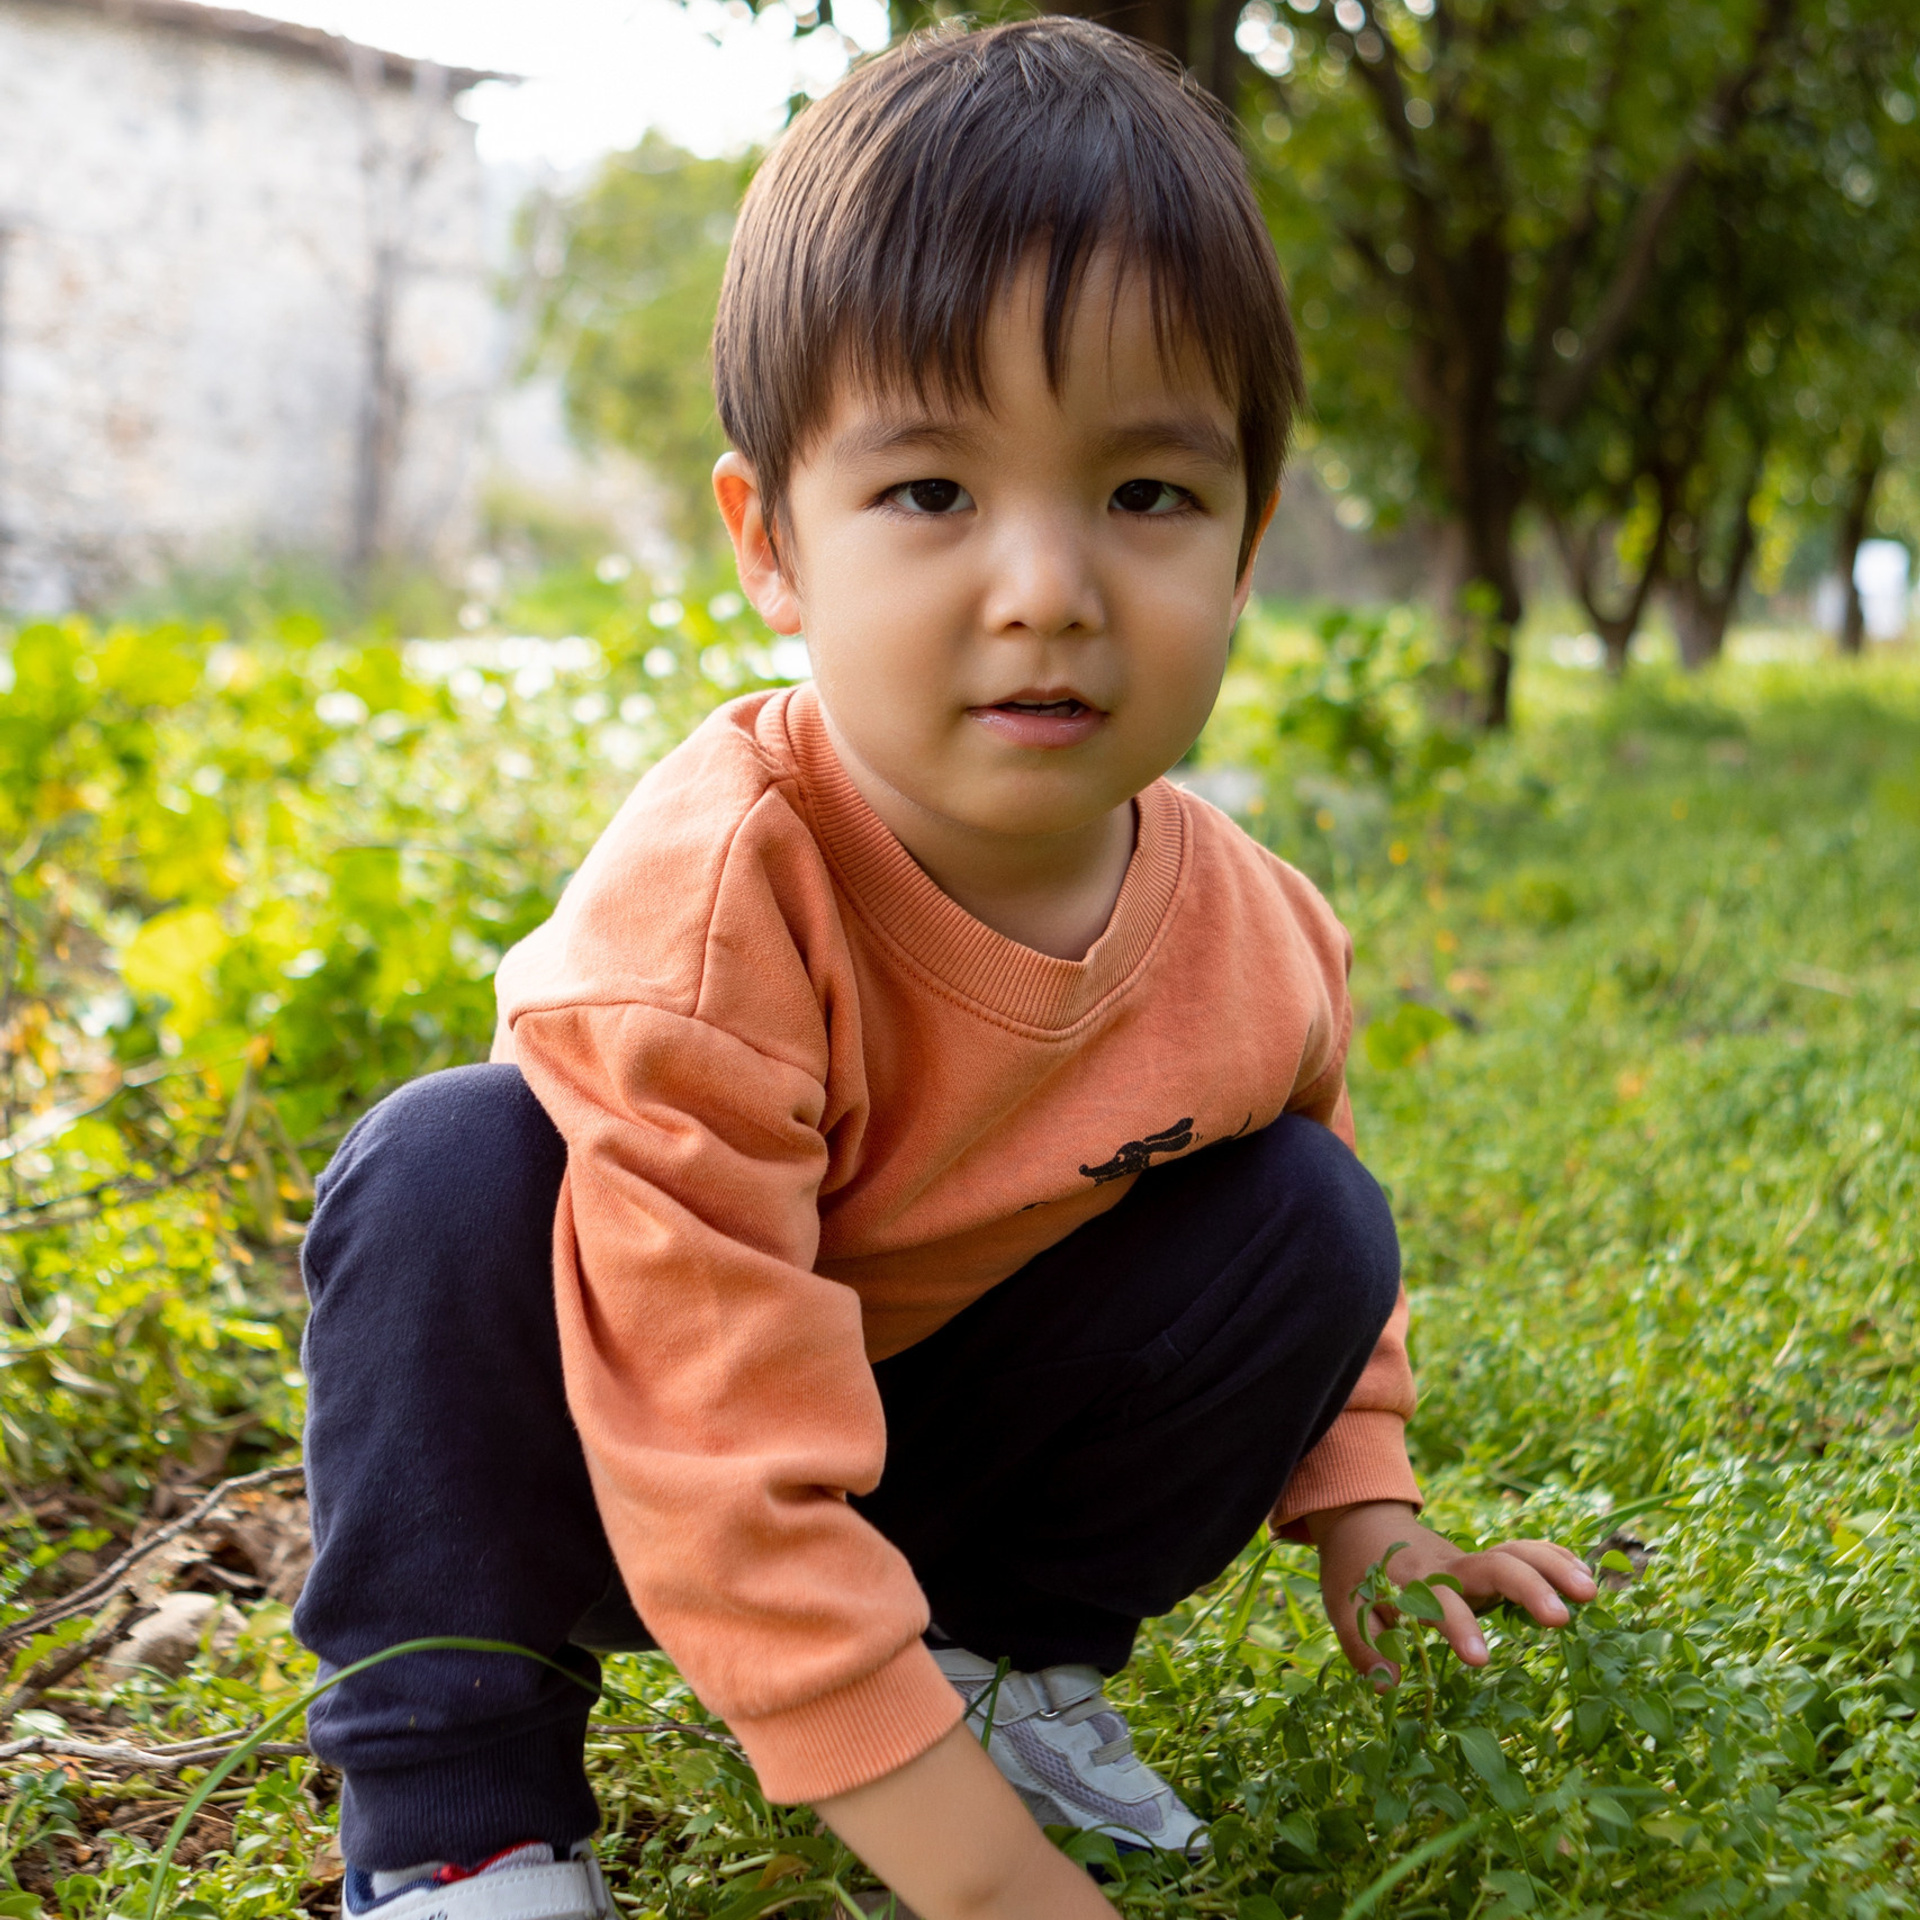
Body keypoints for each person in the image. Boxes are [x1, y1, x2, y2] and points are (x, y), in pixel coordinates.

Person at [293, 20, 1596, 1920]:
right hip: (627, 1452)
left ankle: (997, 1667)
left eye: (1149, 495)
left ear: (1244, 550)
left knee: (1313, 1211)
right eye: (931, 495)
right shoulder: (720, 901)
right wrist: (990, 1893)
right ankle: (466, 1828)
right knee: (447, 1169)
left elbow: (1318, 1312)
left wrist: (1367, 1507)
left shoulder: (1261, 934)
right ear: (773, 544)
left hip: (924, 1461)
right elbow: (719, 1453)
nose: (1049, 587)